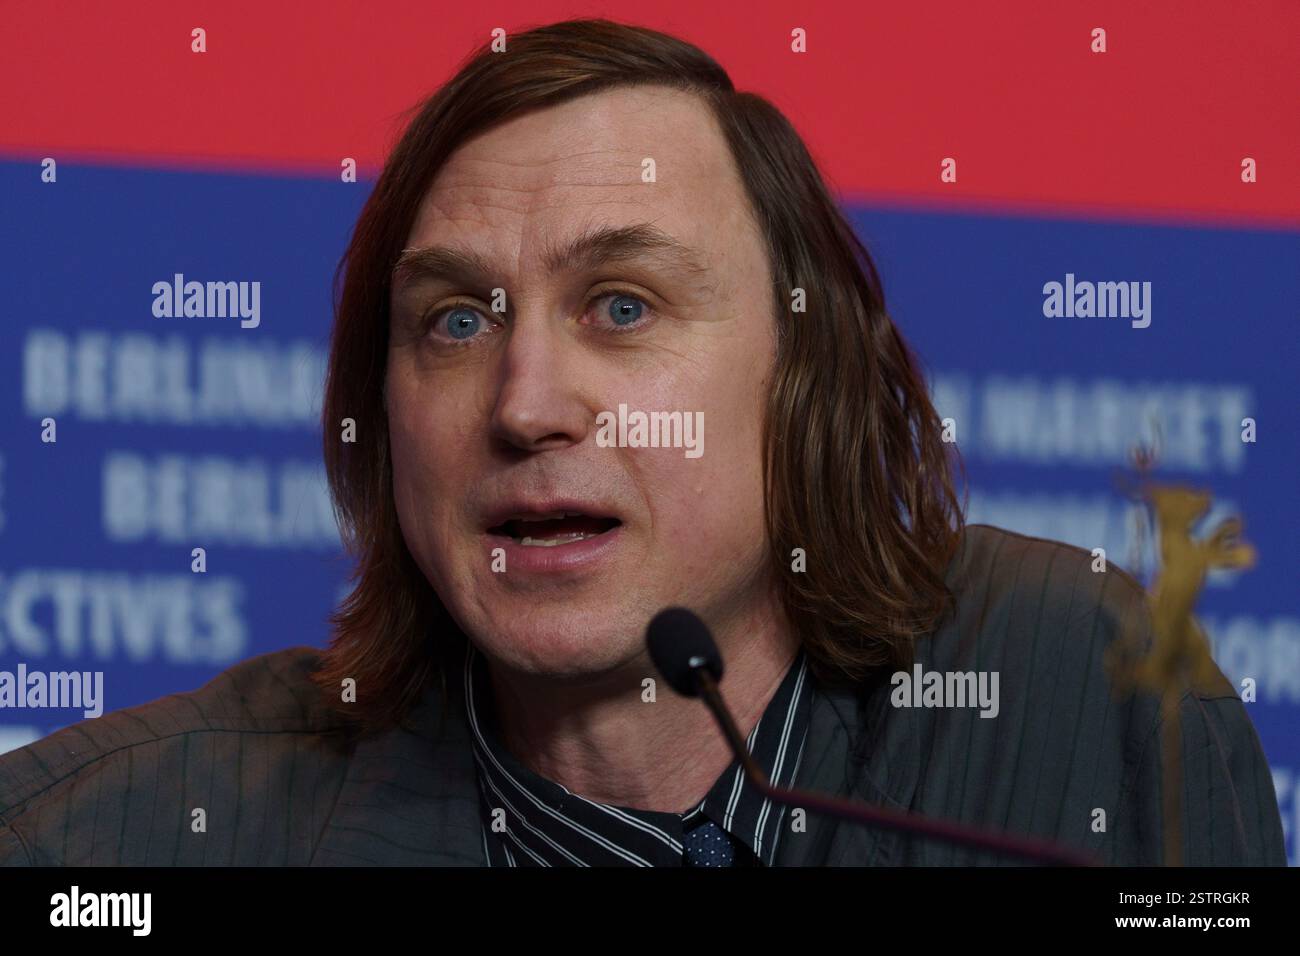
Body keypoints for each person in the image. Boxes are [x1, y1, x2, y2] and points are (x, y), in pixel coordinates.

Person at [0, 17, 1284, 867]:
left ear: (803, 377)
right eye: (453, 321)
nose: (525, 402)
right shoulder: (124, 841)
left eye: (622, 305)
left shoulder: (1084, 697)